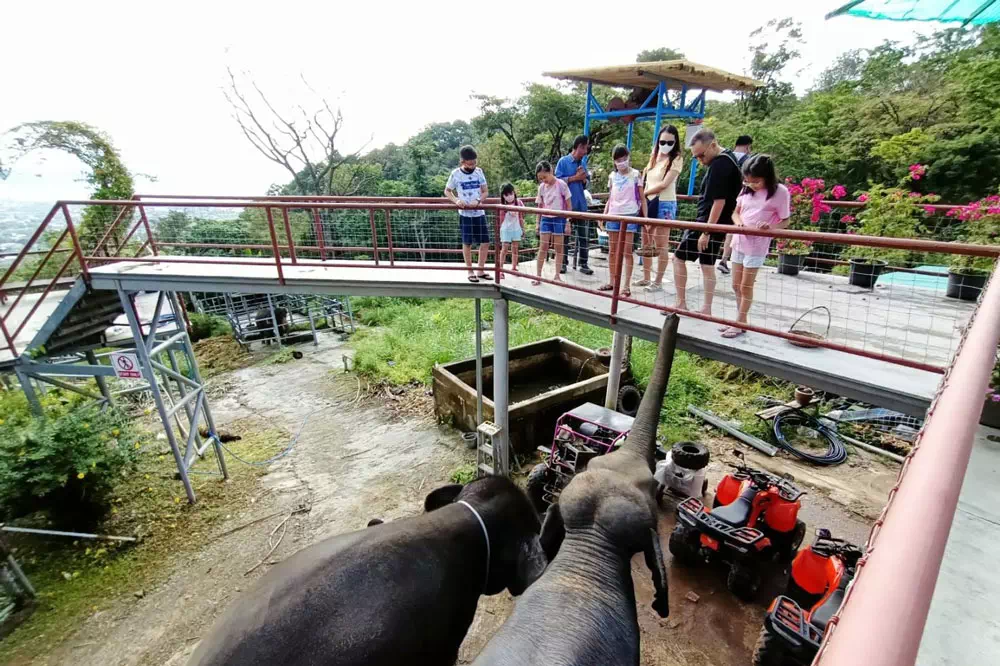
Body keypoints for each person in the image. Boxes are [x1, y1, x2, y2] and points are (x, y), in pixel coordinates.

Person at [673, 128, 742, 315]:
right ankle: (706, 308)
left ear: (712, 145)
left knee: (678, 258)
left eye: (701, 155)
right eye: (696, 157)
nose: (700, 160)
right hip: (716, 223)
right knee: (707, 264)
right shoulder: (729, 158)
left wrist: (706, 231)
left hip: (709, 223)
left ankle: (682, 303)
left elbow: (719, 201)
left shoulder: (720, 164)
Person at [723, 154, 791, 338]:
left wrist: (770, 227)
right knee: (735, 285)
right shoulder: (746, 189)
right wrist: (738, 223)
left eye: (756, 181)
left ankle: (740, 321)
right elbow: (736, 212)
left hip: (757, 245)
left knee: (746, 285)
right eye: (748, 181)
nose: (752, 184)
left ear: (767, 177)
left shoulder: (780, 192)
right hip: (739, 241)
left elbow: (785, 220)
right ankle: (741, 320)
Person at [637, 125, 683, 291]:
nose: (666, 145)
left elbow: (664, 184)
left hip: (664, 202)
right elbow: (646, 178)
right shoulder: (654, 156)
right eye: (662, 141)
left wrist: (643, 193)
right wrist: (642, 195)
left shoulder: (676, 159)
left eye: (670, 142)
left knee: (661, 243)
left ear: (675, 142)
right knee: (646, 240)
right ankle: (646, 276)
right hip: (648, 202)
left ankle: (658, 280)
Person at [598, 145, 646, 296]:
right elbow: (610, 197)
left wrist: (646, 219)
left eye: (624, 158)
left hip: (629, 215)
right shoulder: (612, 176)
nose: (622, 162)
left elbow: (642, 198)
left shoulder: (636, 174)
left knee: (627, 252)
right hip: (613, 214)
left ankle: (626, 285)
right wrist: (603, 216)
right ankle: (612, 281)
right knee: (612, 251)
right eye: (619, 160)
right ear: (614, 161)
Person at [444, 145, 490, 282]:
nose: (473, 166)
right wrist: (456, 200)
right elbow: (447, 191)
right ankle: (470, 271)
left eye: (475, 163)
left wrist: (478, 200)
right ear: (462, 162)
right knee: (467, 242)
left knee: (485, 242)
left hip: (479, 212)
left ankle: (480, 269)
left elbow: (485, 191)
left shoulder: (479, 172)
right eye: (470, 164)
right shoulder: (456, 174)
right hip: (465, 214)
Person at [555, 135, 594, 276]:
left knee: (584, 236)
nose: (585, 151)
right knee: (565, 235)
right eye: (583, 148)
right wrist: (575, 178)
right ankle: (563, 263)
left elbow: (587, 183)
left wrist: (583, 180)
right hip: (566, 206)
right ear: (577, 147)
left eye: (586, 148)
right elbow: (557, 182)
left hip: (581, 205)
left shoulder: (582, 163)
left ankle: (583, 263)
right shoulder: (563, 162)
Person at [718, 134, 754, 275]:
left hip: (723, 199)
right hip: (742, 200)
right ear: (748, 146)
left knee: (723, 229)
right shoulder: (749, 161)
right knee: (734, 231)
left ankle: (723, 259)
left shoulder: (726, 157)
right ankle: (726, 259)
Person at [533, 161, 572, 286]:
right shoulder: (542, 188)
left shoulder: (562, 185)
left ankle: (557, 275)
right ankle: (538, 275)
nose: (543, 180)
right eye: (540, 178)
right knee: (543, 247)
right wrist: (537, 223)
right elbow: (539, 206)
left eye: (544, 177)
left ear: (551, 172)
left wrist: (567, 222)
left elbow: (569, 206)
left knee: (558, 247)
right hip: (545, 218)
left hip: (559, 218)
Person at [497, 182, 526, 279]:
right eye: (506, 195)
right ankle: (500, 269)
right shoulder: (502, 205)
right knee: (504, 249)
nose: (509, 196)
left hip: (516, 228)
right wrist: (500, 231)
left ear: (514, 192)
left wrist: (523, 229)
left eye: (511, 193)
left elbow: (521, 217)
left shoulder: (519, 203)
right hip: (506, 229)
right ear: (503, 196)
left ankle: (514, 267)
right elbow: (500, 220)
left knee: (515, 249)